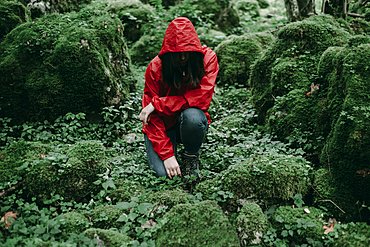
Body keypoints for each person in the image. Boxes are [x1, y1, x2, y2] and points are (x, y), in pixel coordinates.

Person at [138, 17, 219, 181]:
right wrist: (167, 155)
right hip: (162, 125)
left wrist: (158, 104)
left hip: (188, 123)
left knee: (194, 117)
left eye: (187, 53)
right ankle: (171, 150)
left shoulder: (207, 59)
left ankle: (190, 156)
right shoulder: (155, 68)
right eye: (177, 53)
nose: (182, 58)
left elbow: (201, 99)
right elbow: (151, 118)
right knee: (163, 175)